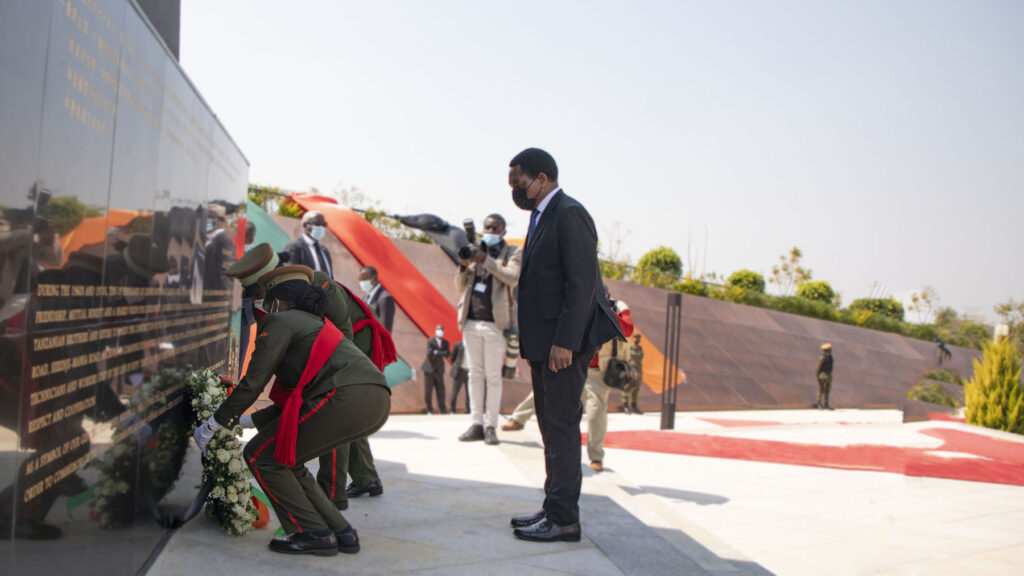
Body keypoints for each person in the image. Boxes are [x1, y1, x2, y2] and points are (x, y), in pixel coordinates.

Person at [193, 265, 390, 556]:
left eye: (264, 298)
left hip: (345, 395)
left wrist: (213, 424)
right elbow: (296, 400)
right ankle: (340, 530)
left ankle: (311, 532)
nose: (261, 305)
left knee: (261, 456)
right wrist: (244, 421)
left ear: (277, 300)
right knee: (288, 459)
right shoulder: (314, 322)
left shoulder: (280, 321)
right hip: (374, 398)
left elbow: (251, 384)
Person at [226, 245, 395, 511]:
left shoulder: (317, 284)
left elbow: (343, 335)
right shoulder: (270, 298)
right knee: (342, 411)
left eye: (260, 291)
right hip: (323, 343)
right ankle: (366, 478)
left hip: (352, 345)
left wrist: (316, 380)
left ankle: (332, 495)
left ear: (272, 279)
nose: (259, 298)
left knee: (334, 406)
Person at [506, 148, 616, 543]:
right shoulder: (542, 216)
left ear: (541, 178)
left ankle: (565, 518)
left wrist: (565, 342)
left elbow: (583, 283)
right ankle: (553, 508)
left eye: (518, 182)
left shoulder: (569, 213)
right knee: (551, 427)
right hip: (543, 343)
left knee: (562, 428)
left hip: (561, 346)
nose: (515, 190)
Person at [455, 213, 521, 446]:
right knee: (474, 374)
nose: (490, 231)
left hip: (495, 324)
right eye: (487, 227)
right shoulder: (474, 249)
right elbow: (460, 286)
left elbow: (512, 277)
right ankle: (476, 424)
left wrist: (485, 260)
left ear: (503, 232)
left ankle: (491, 425)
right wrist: (464, 266)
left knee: (493, 377)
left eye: (495, 228)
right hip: (470, 321)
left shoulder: (512, 252)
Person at [584, 290, 634, 472]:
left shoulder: (619, 307)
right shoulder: (581, 301)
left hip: (599, 369)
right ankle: (519, 418)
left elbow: (628, 329)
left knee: (596, 410)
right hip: (574, 362)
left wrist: (607, 311)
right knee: (546, 393)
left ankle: (596, 456)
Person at [284, 210, 334, 278]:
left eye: (323, 224)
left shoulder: (324, 251)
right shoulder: (294, 248)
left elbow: (330, 277)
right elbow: (290, 278)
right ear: (305, 225)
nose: (321, 227)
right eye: (317, 224)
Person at [421, 325, 450, 414]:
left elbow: (448, 353)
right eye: (438, 329)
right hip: (429, 369)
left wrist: (437, 352)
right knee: (428, 391)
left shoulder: (445, 342)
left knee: (441, 390)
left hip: (439, 369)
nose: (439, 331)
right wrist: (441, 353)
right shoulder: (431, 341)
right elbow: (429, 353)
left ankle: (442, 409)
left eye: (441, 330)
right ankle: (429, 409)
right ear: (435, 331)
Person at [359, 266, 395, 332]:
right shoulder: (366, 297)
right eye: (361, 279)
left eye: (365, 278)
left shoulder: (385, 298)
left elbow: (385, 329)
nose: (362, 282)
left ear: (375, 279)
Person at [621, 333, 645, 414]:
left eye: (638, 338)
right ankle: (625, 405)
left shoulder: (640, 348)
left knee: (637, 387)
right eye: (635, 338)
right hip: (631, 370)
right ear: (633, 338)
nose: (637, 339)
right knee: (628, 386)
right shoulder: (630, 347)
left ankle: (634, 405)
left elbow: (640, 358)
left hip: (639, 370)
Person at [448, 340, 470, 414]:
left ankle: (468, 409)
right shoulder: (458, 344)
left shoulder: (473, 345)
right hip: (460, 371)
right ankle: (452, 410)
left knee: (469, 392)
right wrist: (457, 366)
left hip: (469, 371)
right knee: (455, 392)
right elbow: (452, 357)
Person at [816, 343, 834, 410]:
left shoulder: (830, 357)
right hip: (822, 376)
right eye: (829, 349)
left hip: (829, 375)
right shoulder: (822, 358)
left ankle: (826, 404)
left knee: (827, 390)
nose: (830, 350)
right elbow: (818, 368)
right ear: (826, 350)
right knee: (821, 390)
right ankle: (819, 404)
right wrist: (817, 377)